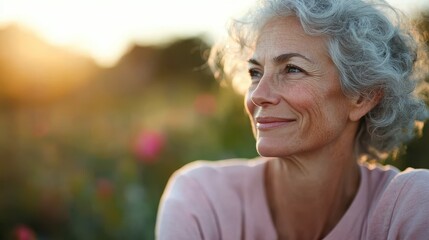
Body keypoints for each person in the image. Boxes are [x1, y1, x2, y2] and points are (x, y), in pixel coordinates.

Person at [156, 0, 429, 239]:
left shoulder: (410, 206)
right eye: (255, 72)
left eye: (292, 69)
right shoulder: (202, 201)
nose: (259, 95)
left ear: (362, 97)